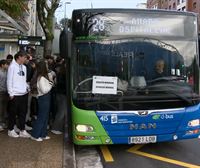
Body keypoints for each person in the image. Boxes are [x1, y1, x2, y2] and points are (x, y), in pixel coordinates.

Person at [7, 50, 31, 138]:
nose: (25, 59)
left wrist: (27, 88)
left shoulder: (24, 67)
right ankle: (10, 130)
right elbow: (9, 80)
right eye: (24, 57)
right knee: (12, 113)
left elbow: (23, 80)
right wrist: (11, 93)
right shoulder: (12, 67)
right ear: (19, 57)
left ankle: (22, 130)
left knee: (23, 113)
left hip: (23, 93)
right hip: (15, 94)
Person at [31, 60, 54, 142]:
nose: (48, 66)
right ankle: (35, 135)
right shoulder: (41, 78)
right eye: (46, 65)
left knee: (45, 117)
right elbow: (44, 90)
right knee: (41, 117)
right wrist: (51, 83)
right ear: (43, 67)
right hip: (43, 98)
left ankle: (43, 134)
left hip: (46, 98)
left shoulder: (44, 76)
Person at [0, 60, 9, 131]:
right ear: (2, 65)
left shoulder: (7, 71)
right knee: (0, 108)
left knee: (4, 108)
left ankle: (3, 122)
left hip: (6, 92)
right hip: (1, 92)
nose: (7, 66)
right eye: (6, 64)